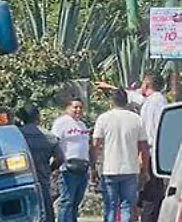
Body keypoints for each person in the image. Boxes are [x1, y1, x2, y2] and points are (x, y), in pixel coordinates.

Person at [92, 89, 151, 222]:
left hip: (109, 169)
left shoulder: (103, 118)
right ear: (126, 101)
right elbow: (144, 148)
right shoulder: (136, 119)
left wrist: (93, 167)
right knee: (127, 206)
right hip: (130, 169)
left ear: (111, 102)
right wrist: (145, 170)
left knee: (111, 206)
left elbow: (95, 144)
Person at [20, 106, 65, 222]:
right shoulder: (49, 136)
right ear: (38, 117)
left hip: (21, 180)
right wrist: (50, 169)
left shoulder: (17, 135)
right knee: (47, 210)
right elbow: (60, 158)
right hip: (43, 178)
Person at [53, 98, 92, 222]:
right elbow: (55, 143)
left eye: (80, 107)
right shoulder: (61, 123)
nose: (78, 110)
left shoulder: (82, 125)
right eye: (75, 107)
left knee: (76, 202)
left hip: (83, 168)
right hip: (68, 169)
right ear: (68, 108)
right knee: (67, 201)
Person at [137, 73, 167, 222]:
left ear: (147, 85)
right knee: (151, 193)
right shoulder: (154, 101)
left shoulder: (155, 102)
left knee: (152, 194)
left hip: (152, 152)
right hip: (152, 152)